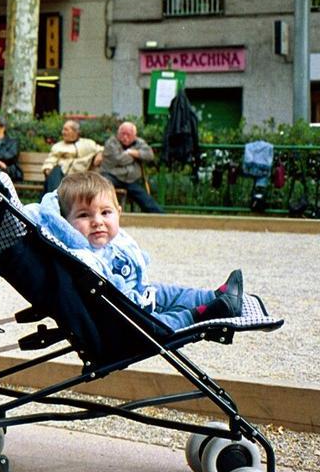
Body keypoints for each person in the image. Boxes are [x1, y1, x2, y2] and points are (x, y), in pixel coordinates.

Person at [30, 171, 243, 329]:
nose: (98, 222)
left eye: (106, 212)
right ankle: (200, 316)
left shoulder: (111, 241)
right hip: (123, 317)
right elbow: (110, 296)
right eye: (84, 215)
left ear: (118, 213)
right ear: (66, 224)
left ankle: (215, 295)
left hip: (139, 294)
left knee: (169, 292)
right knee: (160, 323)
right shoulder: (83, 257)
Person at [97, 121, 163, 213]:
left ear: (134, 136)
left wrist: (133, 152)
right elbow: (118, 159)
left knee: (145, 198)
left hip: (131, 179)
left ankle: (159, 216)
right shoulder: (111, 143)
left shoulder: (139, 142)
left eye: (128, 135)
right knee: (102, 189)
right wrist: (135, 156)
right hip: (113, 175)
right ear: (118, 134)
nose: (125, 137)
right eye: (123, 134)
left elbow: (149, 155)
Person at [40, 118, 100, 194]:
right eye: (63, 130)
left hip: (78, 176)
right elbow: (51, 159)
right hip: (61, 175)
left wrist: (99, 154)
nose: (63, 132)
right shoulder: (58, 146)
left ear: (75, 132)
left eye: (66, 130)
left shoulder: (88, 144)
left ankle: (54, 199)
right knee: (55, 171)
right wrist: (47, 168)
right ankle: (55, 197)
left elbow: (100, 149)